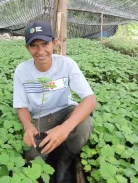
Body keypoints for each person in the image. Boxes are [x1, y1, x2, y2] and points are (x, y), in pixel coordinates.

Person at [13, 21, 97, 182]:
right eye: (34, 45)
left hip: (65, 110)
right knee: (32, 157)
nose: (40, 51)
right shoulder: (22, 71)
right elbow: (21, 106)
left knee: (83, 126)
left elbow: (90, 100)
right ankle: (44, 172)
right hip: (40, 116)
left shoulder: (67, 64)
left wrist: (64, 129)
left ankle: (65, 161)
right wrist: (28, 126)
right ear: (27, 48)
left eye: (45, 44)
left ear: (54, 43)